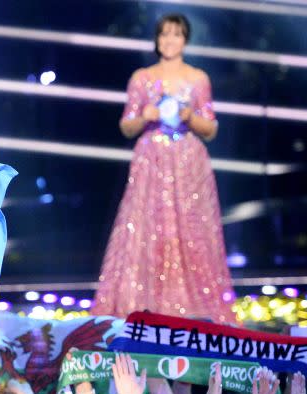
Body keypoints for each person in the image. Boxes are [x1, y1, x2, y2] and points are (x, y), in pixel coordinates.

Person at [92, 13, 235, 324]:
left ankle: (190, 306)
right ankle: (145, 304)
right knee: (147, 230)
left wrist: (188, 117)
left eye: (177, 34)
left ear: (185, 39)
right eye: (165, 34)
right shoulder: (141, 78)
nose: (170, 40)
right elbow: (127, 126)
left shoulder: (198, 79)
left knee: (192, 231)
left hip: (188, 161)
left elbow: (210, 128)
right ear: (157, 40)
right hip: (152, 161)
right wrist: (147, 114)